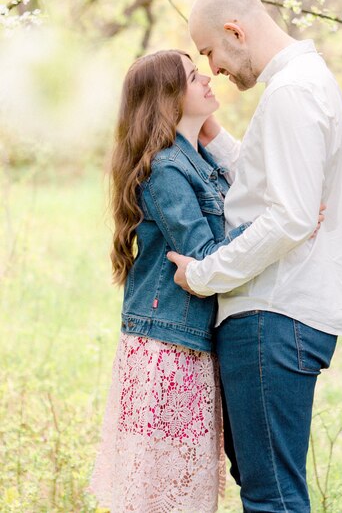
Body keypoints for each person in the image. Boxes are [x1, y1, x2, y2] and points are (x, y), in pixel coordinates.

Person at [88, 48, 326, 513]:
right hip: (168, 348)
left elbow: (248, 190)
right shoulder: (166, 170)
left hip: (193, 344)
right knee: (165, 490)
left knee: (188, 486)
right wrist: (284, 226)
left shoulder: (200, 161)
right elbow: (203, 258)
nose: (206, 80)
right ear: (168, 99)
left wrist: (290, 212)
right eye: (193, 77)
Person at [168, 0, 342, 513]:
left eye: (210, 51)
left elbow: (289, 217)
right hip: (282, 313)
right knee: (267, 485)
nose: (215, 70)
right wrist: (214, 137)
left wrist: (203, 274)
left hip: (273, 313)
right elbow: (269, 186)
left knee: (271, 497)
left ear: (235, 31)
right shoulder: (300, 83)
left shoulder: (291, 91)